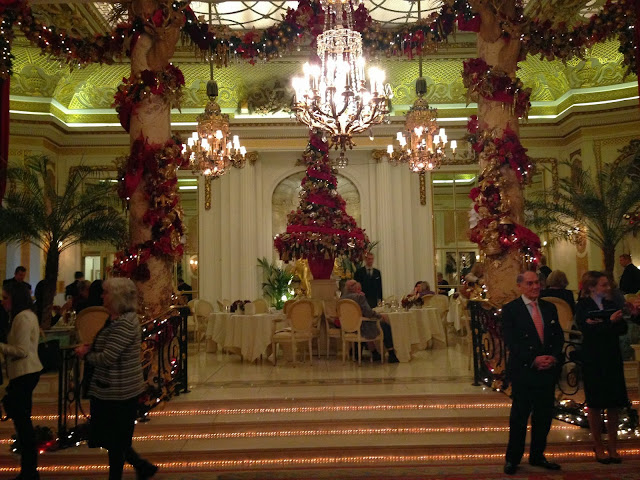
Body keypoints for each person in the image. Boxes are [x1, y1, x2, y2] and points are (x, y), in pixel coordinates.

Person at [75, 278, 158, 480]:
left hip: (119, 391)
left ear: (117, 297)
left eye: (106, 293)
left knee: (115, 441)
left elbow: (107, 358)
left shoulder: (124, 323)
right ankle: (142, 466)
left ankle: (132, 470)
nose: (102, 296)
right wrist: (93, 347)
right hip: (111, 389)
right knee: (115, 440)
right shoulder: (115, 319)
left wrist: (86, 355)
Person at [502, 271, 563, 475]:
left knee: (543, 417)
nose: (535, 286)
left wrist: (553, 357)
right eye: (530, 283)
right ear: (520, 286)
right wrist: (533, 360)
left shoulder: (549, 308)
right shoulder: (511, 310)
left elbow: (558, 337)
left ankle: (538, 455)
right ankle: (513, 459)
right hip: (524, 371)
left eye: (537, 282)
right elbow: (511, 342)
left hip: (547, 372)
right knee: (519, 418)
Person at [575, 271, 629, 464]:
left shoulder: (610, 304)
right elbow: (588, 331)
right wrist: (609, 323)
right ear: (592, 287)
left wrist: (606, 324)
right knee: (595, 404)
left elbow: (623, 329)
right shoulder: (583, 306)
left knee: (614, 403)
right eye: (603, 285)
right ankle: (598, 445)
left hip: (612, 357)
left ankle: (613, 445)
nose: (607, 288)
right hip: (593, 358)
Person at [0, 282, 42, 480]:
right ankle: (29, 470)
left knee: (23, 424)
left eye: (5, 298)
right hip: (25, 373)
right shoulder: (25, 315)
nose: (3, 302)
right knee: (22, 422)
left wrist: (1, 346)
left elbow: (22, 350)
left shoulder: (22, 318)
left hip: (25, 373)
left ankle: (29, 471)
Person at [341, 280, 399, 363]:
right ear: (355, 289)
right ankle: (391, 353)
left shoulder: (342, 299)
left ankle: (374, 353)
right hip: (362, 327)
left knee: (374, 324)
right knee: (384, 325)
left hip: (348, 327)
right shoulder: (359, 297)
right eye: (359, 289)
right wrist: (380, 316)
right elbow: (369, 313)